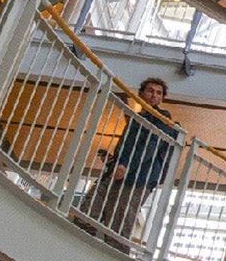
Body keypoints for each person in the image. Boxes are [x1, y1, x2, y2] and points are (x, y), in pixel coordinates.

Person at [76, 77, 182, 239]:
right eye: (150, 91)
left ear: (162, 98)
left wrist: (126, 165)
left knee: (120, 222)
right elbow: (129, 147)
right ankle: (82, 242)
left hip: (139, 177)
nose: (154, 95)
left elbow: (150, 146)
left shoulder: (163, 119)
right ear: (141, 93)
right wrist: (114, 160)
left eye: (159, 93)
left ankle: (112, 255)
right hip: (118, 172)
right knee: (89, 209)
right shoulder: (136, 118)